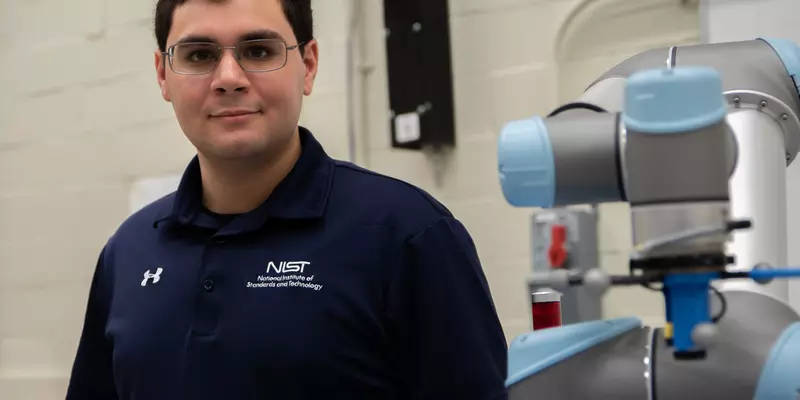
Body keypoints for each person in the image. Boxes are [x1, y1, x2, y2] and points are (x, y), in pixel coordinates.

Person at [66, 0, 508, 398]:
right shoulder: (128, 252)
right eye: (199, 55)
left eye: (258, 51)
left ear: (309, 65)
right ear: (164, 76)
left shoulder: (408, 236)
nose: (228, 79)